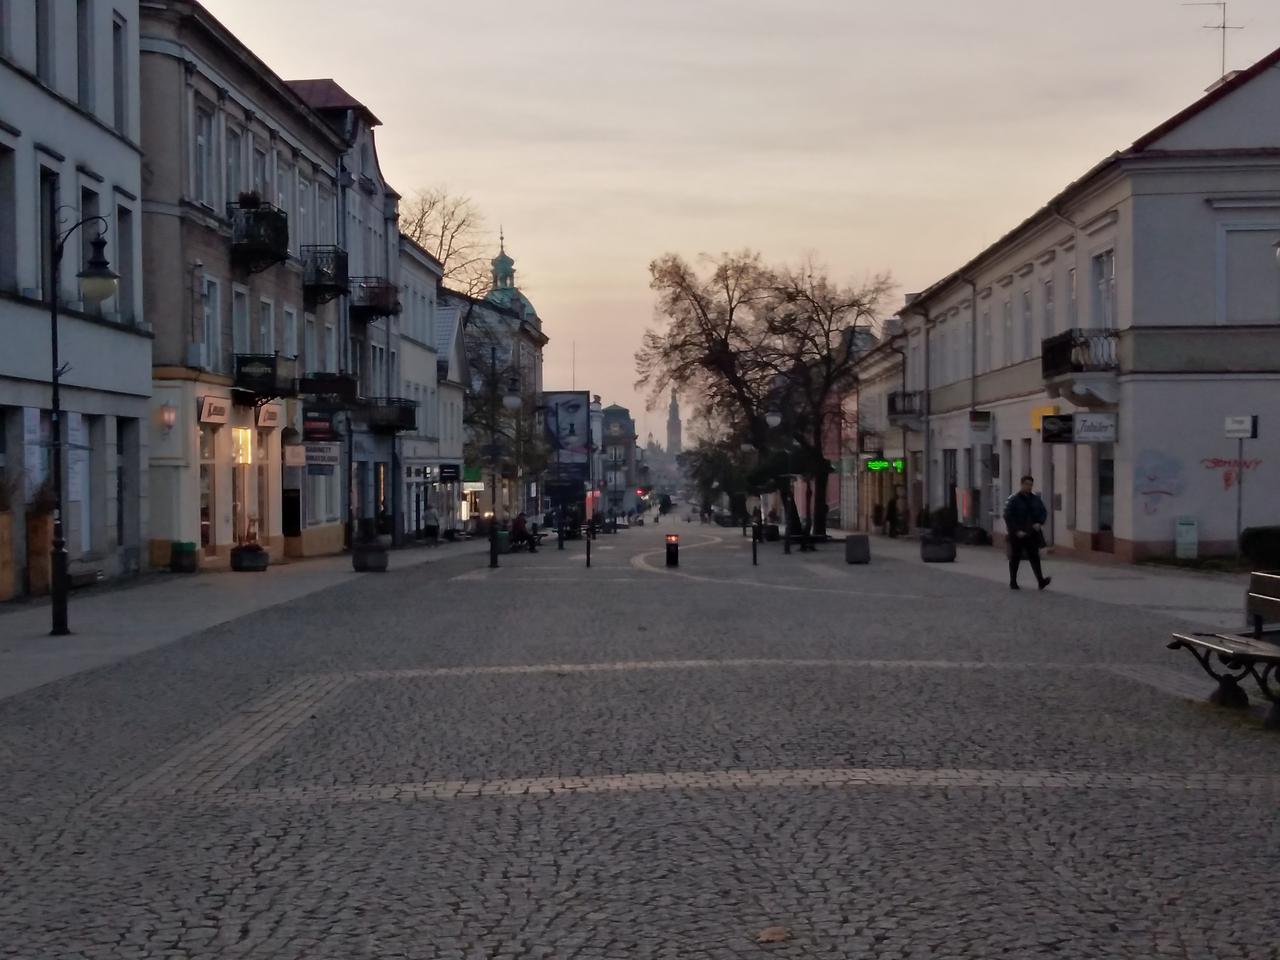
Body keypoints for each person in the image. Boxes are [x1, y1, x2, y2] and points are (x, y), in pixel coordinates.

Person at [1004, 475, 1051, 591]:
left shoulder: (1035, 499)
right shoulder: (1014, 500)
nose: (1029, 487)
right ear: (1021, 485)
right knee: (1015, 557)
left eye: (1030, 484)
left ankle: (1041, 581)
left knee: (1034, 557)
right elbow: (1008, 516)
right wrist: (1016, 530)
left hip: (1031, 533)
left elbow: (1043, 512)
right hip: (1018, 534)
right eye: (1027, 484)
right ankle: (1013, 581)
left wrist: (1039, 522)